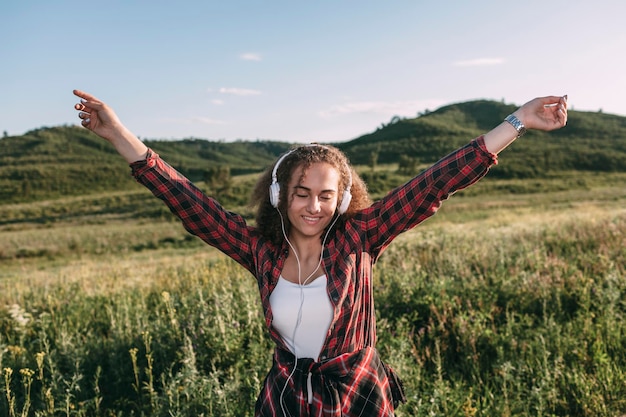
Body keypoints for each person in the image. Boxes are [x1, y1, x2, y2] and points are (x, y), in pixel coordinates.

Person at [73, 89, 567, 416]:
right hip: (286, 398)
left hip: (357, 395)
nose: (313, 206)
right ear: (279, 196)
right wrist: (117, 132)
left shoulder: (362, 237)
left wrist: (517, 121)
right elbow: (187, 200)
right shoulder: (260, 250)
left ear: (343, 199)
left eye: (326, 195)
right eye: (301, 193)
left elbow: (436, 182)